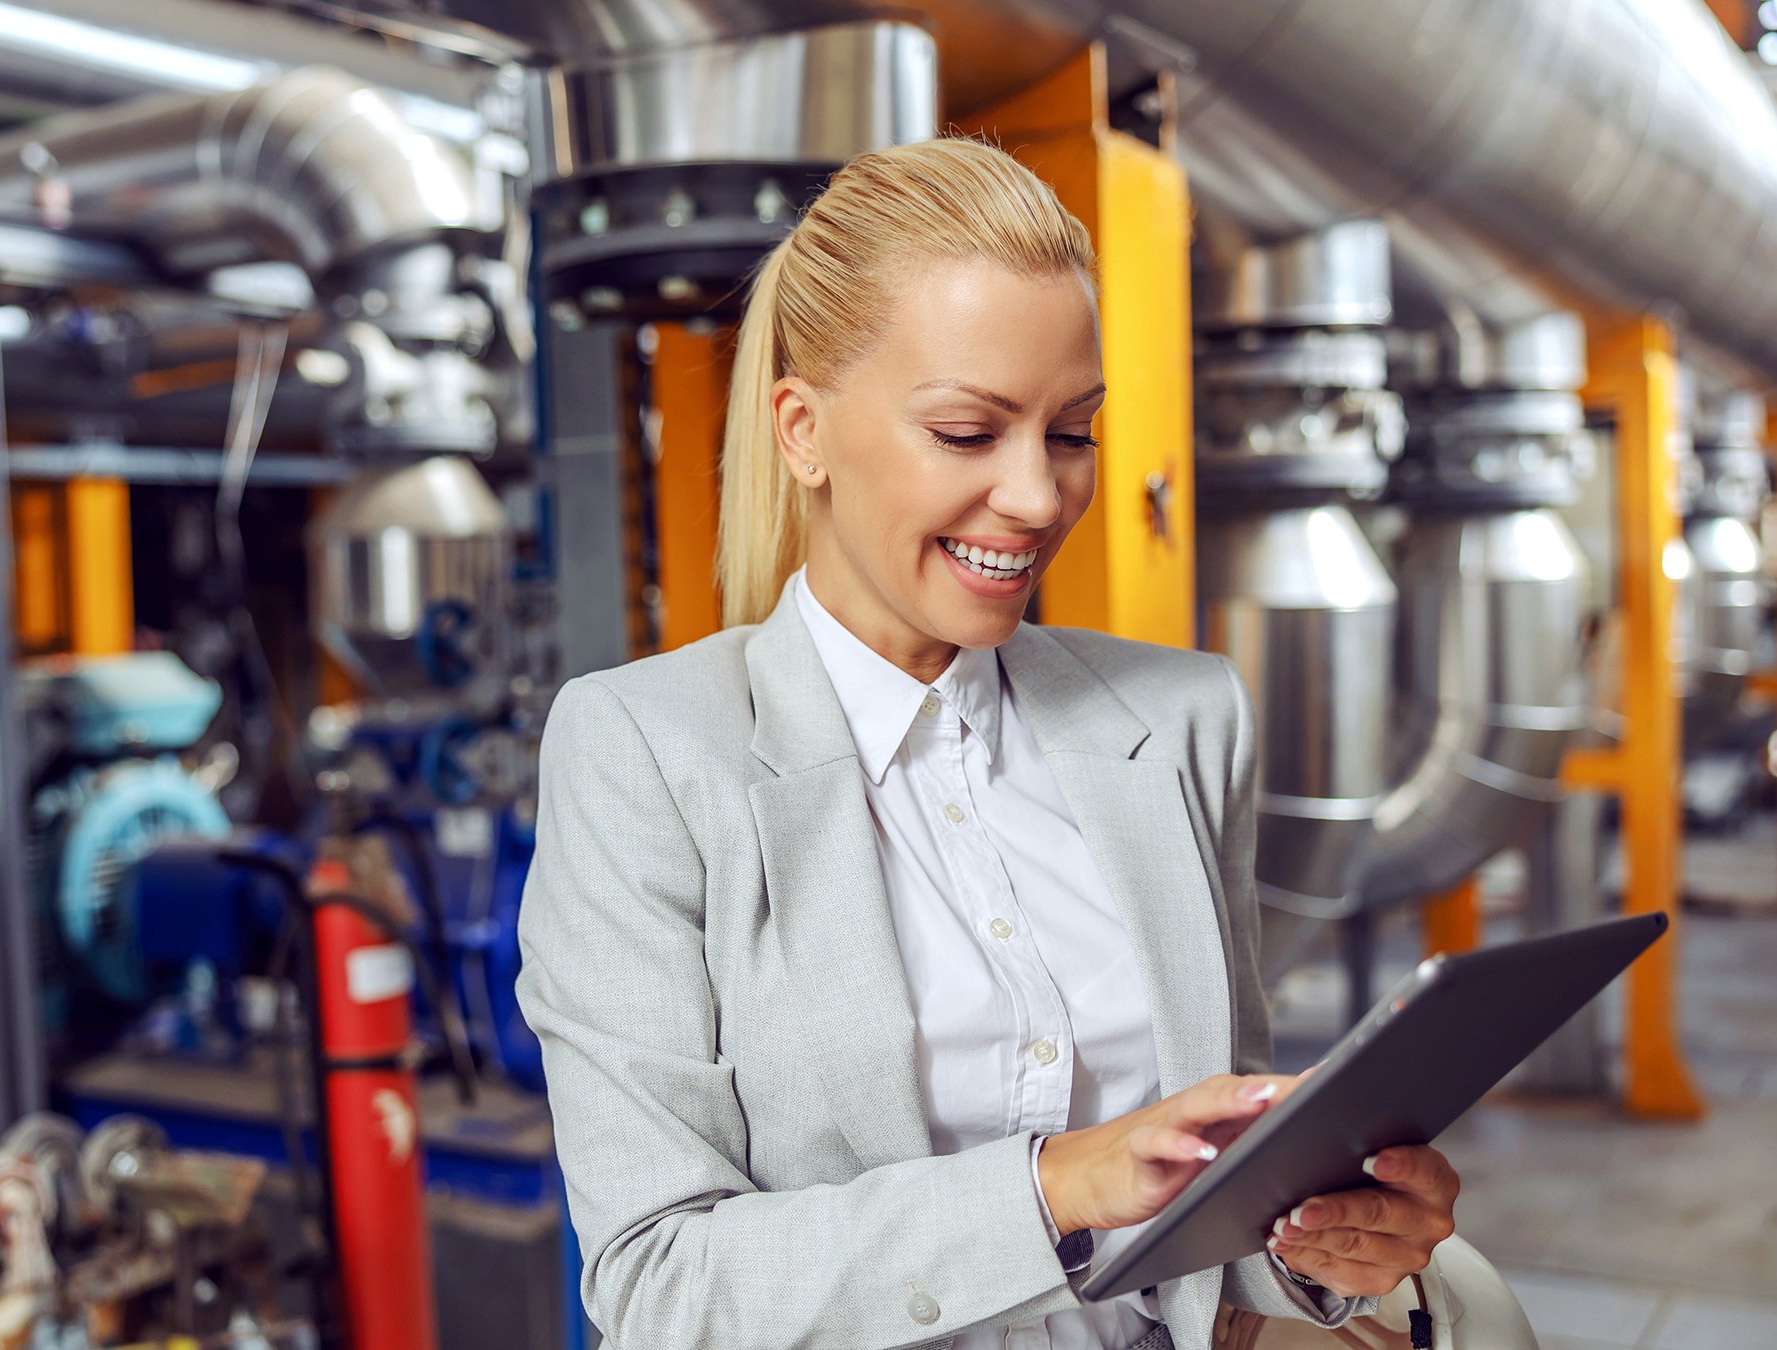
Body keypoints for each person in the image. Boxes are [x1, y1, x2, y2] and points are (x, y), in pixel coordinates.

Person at [515, 139, 1459, 1350]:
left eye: (1072, 434)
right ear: (802, 432)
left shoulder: (1178, 723)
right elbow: (660, 1286)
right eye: (969, 432)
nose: (1036, 496)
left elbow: (1217, 1226)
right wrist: (1055, 1187)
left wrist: (1324, 1249)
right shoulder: (643, 753)